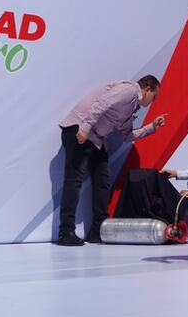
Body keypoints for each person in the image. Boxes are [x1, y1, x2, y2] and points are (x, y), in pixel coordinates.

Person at [56, 75, 167, 246]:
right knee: (74, 181)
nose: (154, 101)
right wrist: (85, 128)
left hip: (97, 140)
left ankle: (98, 230)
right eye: (155, 96)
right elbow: (102, 103)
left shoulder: (132, 107)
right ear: (147, 89)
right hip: (79, 131)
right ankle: (66, 232)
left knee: (103, 182)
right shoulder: (130, 90)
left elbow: (127, 136)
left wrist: (151, 127)